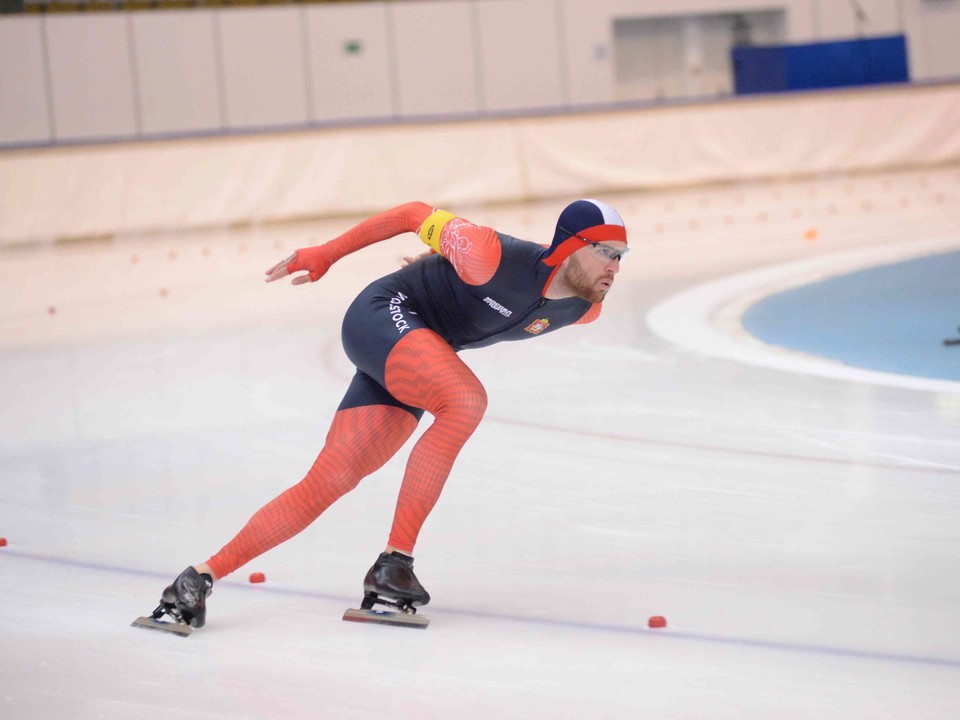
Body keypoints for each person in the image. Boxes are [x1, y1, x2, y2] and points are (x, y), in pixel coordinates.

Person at [149, 198, 628, 629]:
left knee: (331, 478)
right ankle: (395, 562)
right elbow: (410, 213)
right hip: (383, 314)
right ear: (569, 246)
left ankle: (195, 582)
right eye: (606, 251)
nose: (615, 266)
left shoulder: (583, 309)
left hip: (419, 352)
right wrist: (326, 253)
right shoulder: (489, 252)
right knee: (464, 401)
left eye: (621, 256)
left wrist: (443, 274)